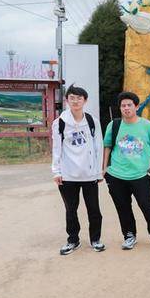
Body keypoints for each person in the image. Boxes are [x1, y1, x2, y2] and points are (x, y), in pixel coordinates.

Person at [102, 92, 150, 252]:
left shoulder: (146, 126)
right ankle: (129, 236)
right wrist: (104, 168)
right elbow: (107, 146)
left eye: (129, 105)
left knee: (146, 206)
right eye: (123, 105)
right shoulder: (114, 125)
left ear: (136, 107)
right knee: (123, 207)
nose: (126, 108)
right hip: (116, 175)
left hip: (140, 175)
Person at [51, 84, 104, 255]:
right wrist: (56, 171)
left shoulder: (92, 121)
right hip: (68, 175)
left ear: (85, 100)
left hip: (89, 174)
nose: (75, 101)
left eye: (79, 98)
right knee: (71, 210)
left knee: (94, 209)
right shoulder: (59, 123)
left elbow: (98, 146)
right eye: (72, 98)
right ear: (67, 100)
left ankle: (95, 239)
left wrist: (98, 171)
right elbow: (56, 149)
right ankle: (73, 240)